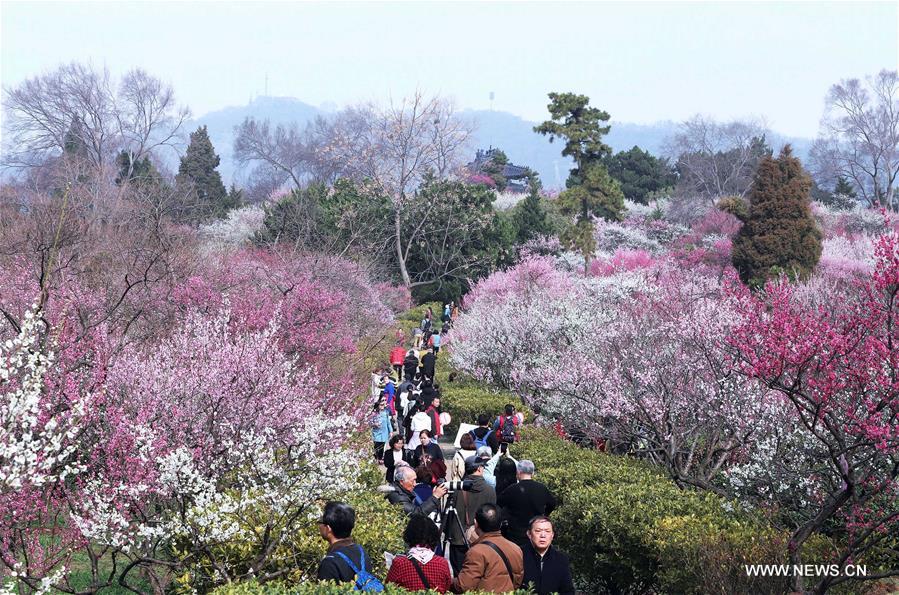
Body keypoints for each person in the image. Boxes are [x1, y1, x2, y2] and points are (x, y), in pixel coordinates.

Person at [450, 503, 524, 593]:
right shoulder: (516, 548)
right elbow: (517, 581)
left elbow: (464, 585)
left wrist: (448, 581)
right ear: (500, 524)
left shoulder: (477, 552)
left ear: (476, 523)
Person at [446, 454, 497, 574]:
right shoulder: (489, 490)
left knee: (459, 575)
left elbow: (448, 516)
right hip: (481, 539)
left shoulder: (457, 489)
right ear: (479, 468)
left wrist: (449, 533)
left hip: (458, 539)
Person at [316, 501, 381, 590]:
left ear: (328, 528)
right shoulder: (361, 552)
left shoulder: (329, 563)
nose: (319, 525)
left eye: (320, 522)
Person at [497, 460, 557, 549]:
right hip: (535, 532)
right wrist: (544, 516)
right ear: (532, 473)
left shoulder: (512, 489)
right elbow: (552, 504)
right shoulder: (542, 488)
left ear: (518, 472)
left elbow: (498, 504)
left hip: (516, 534)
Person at [386, 513, 453, 593]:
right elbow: (446, 587)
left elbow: (388, 588)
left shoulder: (399, 563)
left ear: (409, 535)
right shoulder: (442, 563)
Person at [522, 516, 575, 595]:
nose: (543, 535)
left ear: (552, 535)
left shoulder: (561, 560)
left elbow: (568, 591)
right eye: (538, 531)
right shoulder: (519, 555)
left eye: (547, 531)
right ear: (529, 534)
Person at [371, 397, 393, 463]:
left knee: (382, 446)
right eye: (381, 405)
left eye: (383, 405)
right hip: (376, 432)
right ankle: (375, 458)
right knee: (376, 445)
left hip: (384, 432)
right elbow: (370, 422)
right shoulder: (374, 413)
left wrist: (391, 431)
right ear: (377, 406)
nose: (383, 406)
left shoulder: (386, 413)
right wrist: (374, 424)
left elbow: (388, 423)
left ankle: (380, 458)